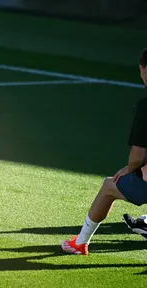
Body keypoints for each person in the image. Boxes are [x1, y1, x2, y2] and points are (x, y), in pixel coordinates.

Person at [62, 49, 147, 255]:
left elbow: (138, 156)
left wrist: (130, 169)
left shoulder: (145, 106)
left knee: (109, 186)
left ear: (144, 70)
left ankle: (80, 243)